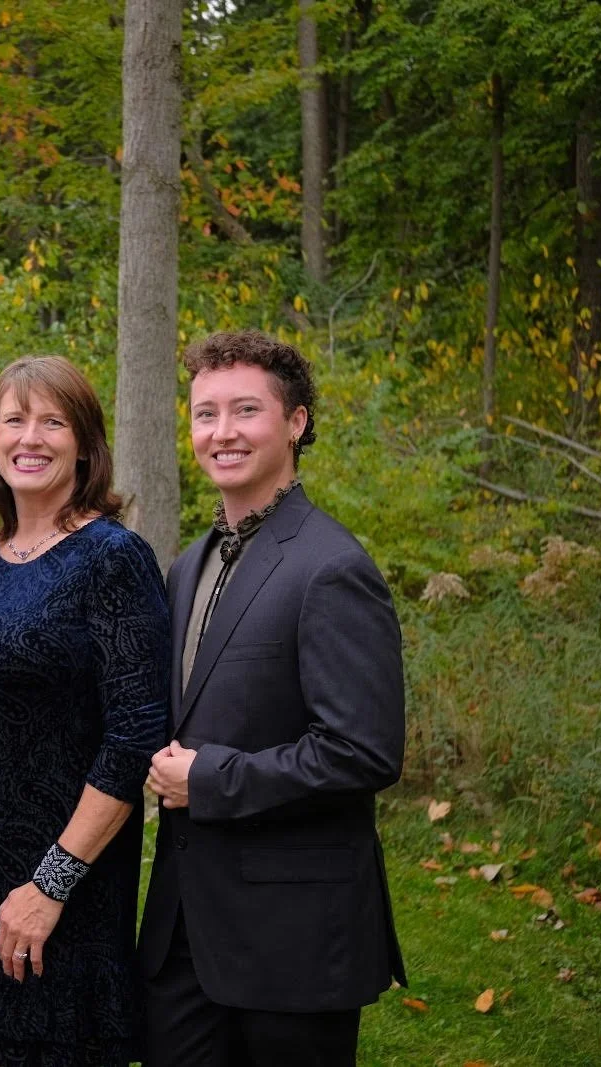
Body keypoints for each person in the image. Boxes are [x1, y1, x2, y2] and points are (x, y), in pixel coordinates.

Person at [137, 330, 407, 1067]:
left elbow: (363, 750)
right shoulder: (188, 565)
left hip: (292, 939)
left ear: (296, 422)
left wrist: (210, 777)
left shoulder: (332, 567)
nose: (222, 432)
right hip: (184, 936)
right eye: (205, 414)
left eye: (245, 410)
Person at [0, 355, 170, 1067]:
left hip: (63, 881)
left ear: (85, 444)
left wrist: (51, 882)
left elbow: (134, 735)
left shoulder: (112, 558)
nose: (30, 437)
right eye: (14, 419)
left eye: (52, 421)